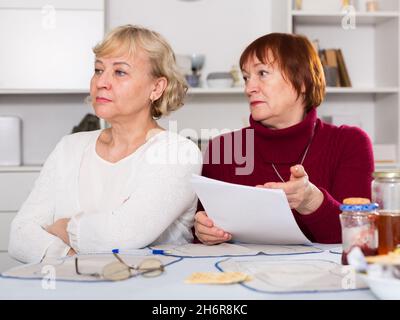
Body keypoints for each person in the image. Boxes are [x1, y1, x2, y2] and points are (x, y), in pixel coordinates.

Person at [9, 25, 202, 263]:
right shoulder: (69, 147)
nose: (102, 82)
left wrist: (63, 228)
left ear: (156, 88)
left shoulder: (178, 153)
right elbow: (19, 235)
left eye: (120, 72)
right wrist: (72, 258)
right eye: (98, 70)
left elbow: (124, 233)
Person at [194, 33, 374, 245]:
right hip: (242, 275)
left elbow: (359, 239)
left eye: (262, 73)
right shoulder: (224, 148)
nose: (248, 88)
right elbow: (201, 236)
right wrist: (203, 231)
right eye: (246, 77)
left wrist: (312, 201)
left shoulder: (349, 143)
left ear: (303, 80)